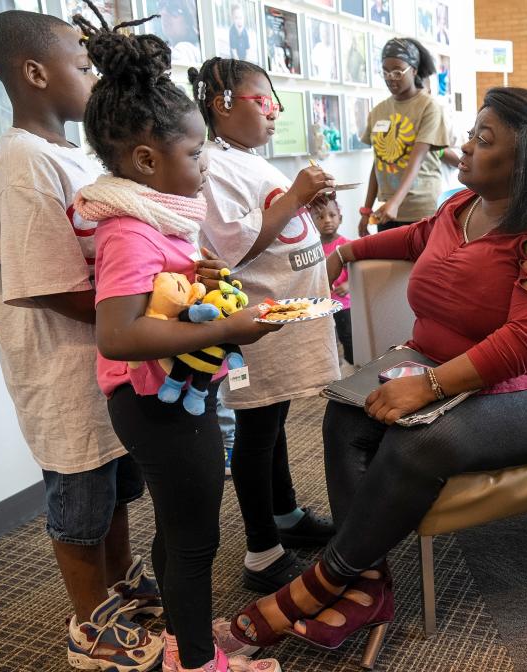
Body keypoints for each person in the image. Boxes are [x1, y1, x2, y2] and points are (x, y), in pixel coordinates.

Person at [228, 87, 527, 665]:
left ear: (526, 164)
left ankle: (322, 583)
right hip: (447, 366)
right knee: (344, 414)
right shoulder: (461, 209)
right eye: (472, 132)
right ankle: (367, 585)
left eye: (483, 141)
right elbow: (414, 237)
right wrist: (346, 251)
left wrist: (428, 387)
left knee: (420, 440)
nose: (464, 146)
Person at [72, 5, 284, 670]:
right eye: (195, 154)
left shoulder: (151, 222)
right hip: (157, 407)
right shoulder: (131, 228)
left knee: (178, 533)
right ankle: (198, 663)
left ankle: (179, 639)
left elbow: (153, 295)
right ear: (144, 159)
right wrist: (230, 324)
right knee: (195, 543)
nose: (203, 165)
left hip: (168, 400)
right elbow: (118, 331)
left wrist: (194, 276)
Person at [0, 10, 164, 671]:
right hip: (60, 368)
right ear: (34, 73)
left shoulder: (65, 155)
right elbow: (44, 283)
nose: (93, 76)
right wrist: (142, 317)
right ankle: (91, 628)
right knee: (79, 500)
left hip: (99, 364)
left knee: (113, 486)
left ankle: (118, 591)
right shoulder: (23, 161)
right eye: (83, 66)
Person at [188, 57, 340, 596]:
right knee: (257, 429)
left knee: (273, 425)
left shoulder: (251, 160)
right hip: (256, 323)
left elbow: (282, 230)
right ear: (222, 102)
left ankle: (285, 513)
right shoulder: (210, 164)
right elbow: (231, 248)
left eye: (274, 102)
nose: (274, 112)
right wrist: (297, 197)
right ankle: (261, 551)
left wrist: (321, 221)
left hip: (285, 319)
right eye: (262, 101)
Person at [358, 38, 449, 236]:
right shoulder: (378, 111)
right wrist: (366, 211)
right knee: (390, 266)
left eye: (398, 71)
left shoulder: (428, 107)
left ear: (414, 70)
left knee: (420, 267)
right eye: (385, 71)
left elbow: (417, 158)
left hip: (421, 210)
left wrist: (395, 202)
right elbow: (378, 163)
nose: (391, 77)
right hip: (387, 211)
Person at [312, 199, 353, 365]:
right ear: (312, 222)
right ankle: (333, 365)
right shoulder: (313, 247)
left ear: (340, 218)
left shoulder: (347, 245)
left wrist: (349, 284)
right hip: (323, 304)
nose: (327, 220)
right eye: (320, 217)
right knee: (327, 337)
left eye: (332, 215)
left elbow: (357, 273)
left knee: (347, 336)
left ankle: (353, 364)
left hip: (344, 304)